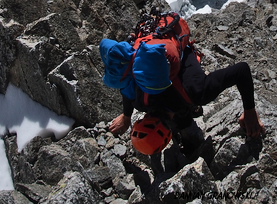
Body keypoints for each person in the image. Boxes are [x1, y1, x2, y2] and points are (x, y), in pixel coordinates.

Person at [101, 22, 265, 156]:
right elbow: (127, 87)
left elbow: (242, 70)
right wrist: (127, 116)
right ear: (143, 118)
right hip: (156, 47)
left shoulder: (198, 92)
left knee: (184, 112)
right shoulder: (140, 101)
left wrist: (250, 112)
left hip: (180, 54)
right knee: (182, 112)